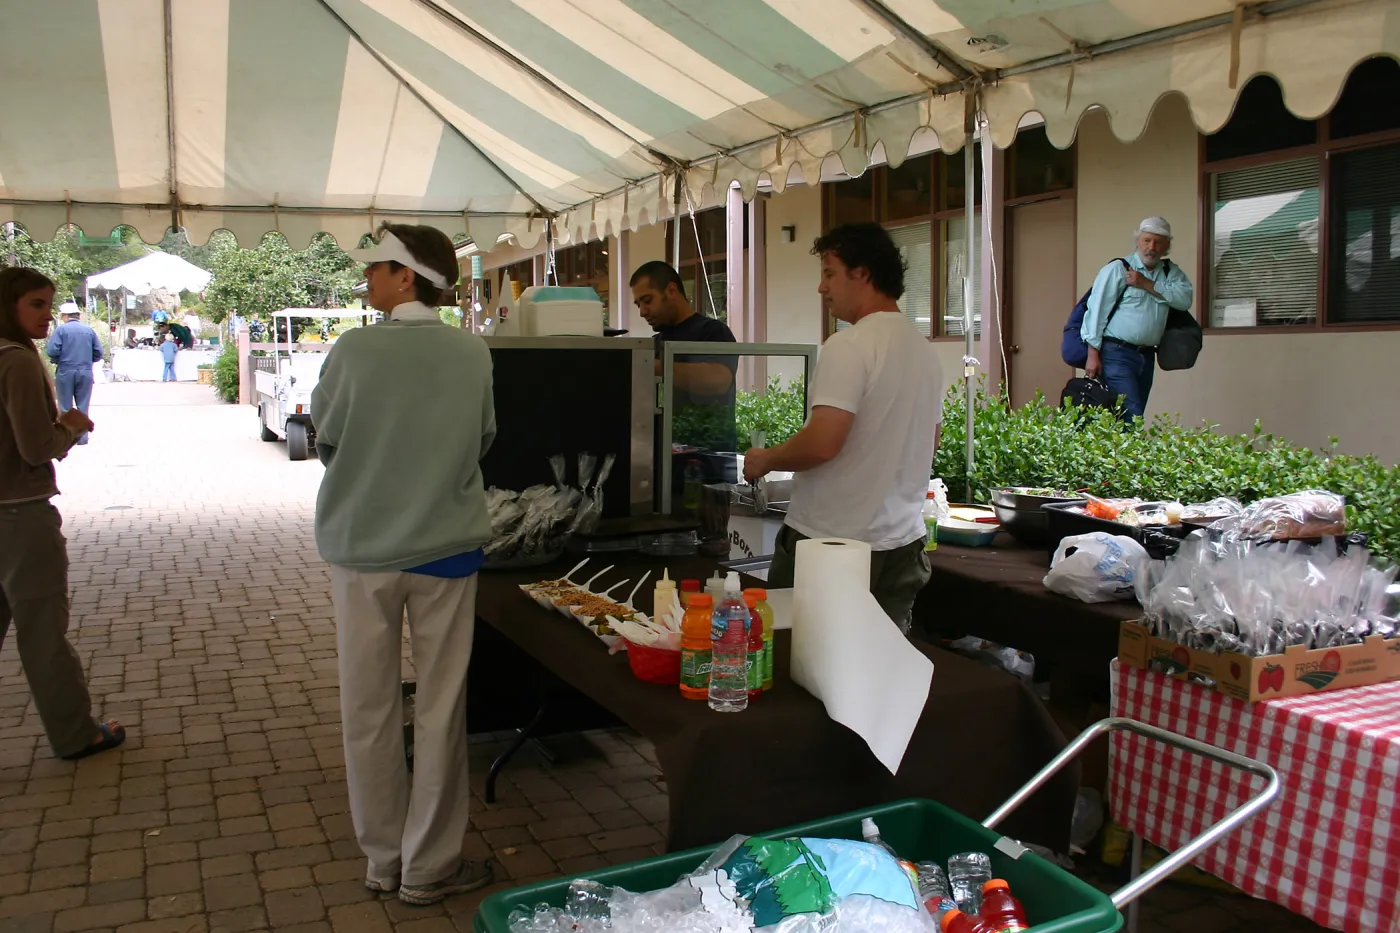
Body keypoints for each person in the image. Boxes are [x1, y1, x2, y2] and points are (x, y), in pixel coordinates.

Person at [312, 223, 495, 905]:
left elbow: (326, 436)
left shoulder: (353, 349)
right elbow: (482, 438)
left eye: (377, 269)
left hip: (361, 550)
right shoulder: (471, 353)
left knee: (367, 705)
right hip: (447, 550)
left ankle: (382, 859)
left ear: (407, 277)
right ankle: (429, 867)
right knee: (442, 706)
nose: (368, 280)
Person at [744, 223, 943, 634]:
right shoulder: (924, 351)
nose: (822, 287)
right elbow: (932, 440)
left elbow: (823, 442)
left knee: (796, 665)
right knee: (878, 672)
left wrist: (765, 459)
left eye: (829, 273)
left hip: (830, 545)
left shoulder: (849, 346)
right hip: (902, 544)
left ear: (862, 273)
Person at [0, 267, 125, 760]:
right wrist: (70, 428)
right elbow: (36, 447)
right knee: (42, 634)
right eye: (34, 304)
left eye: (48, 304)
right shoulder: (19, 362)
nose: (45, 316)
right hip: (22, 514)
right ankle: (77, 734)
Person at [629, 261, 738, 503]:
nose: (642, 311)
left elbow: (717, 380)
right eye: (638, 304)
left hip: (710, 467)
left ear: (671, 290)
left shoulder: (714, 332)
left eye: (647, 300)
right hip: (666, 467)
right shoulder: (656, 342)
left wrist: (654, 366)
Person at [1080, 217, 1194, 419]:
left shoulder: (1170, 273)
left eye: (1158, 242)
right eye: (1147, 240)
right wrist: (1092, 354)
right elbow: (1096, 312)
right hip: (1117, 353)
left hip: (1147, 356)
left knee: (1131, 413)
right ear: (1138, 241)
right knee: (1131, 415)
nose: (1152, 247)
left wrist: (1147, 284)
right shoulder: (1118, 269)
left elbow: (1184, 300)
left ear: (1166, 246)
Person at [45, 303, 102, 445]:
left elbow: (52, 351)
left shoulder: (61, 330)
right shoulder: (89, 330)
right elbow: (99, 353)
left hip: (66, 370)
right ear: (78, 315)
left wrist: (57, 360)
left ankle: (67, 439)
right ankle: (82, 438)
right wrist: (88, 361)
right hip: (85, 371)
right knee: (83, 405)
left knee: (65, 406)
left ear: (65, 316)